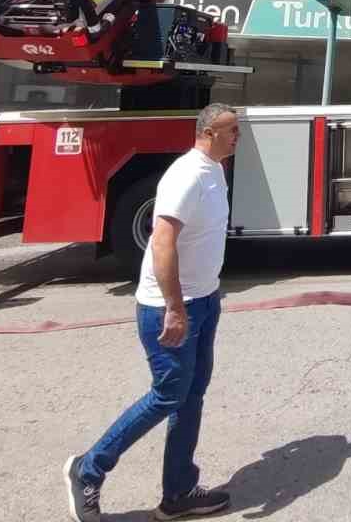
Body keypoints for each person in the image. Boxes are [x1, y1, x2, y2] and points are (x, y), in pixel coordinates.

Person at [65, 104, 242, 521]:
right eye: (232, 130)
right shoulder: (187, 174)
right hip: (170, 307)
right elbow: (162, 242)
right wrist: (176, 308)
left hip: (204, 300)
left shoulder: (215, 170)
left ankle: (178, 493)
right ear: (208, 132)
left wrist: (206, 298)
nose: (238, 136)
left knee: (191, 396)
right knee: (167, 396)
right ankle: (88, 469)